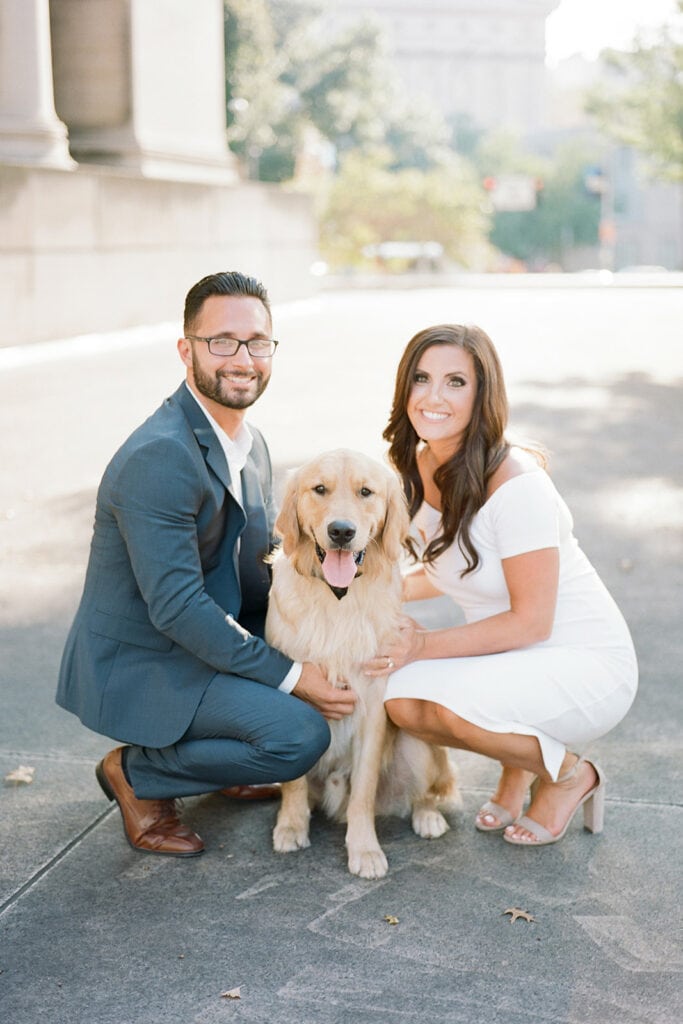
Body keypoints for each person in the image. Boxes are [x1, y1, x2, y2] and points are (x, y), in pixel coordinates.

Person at [57, 270, 356, 857]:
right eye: (222, 341)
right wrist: (296, 677)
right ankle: (137, 774)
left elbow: (263, 570)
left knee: (292, 709)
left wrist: (356, 623)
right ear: (185, 349)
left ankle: (225, 757)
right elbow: (177, 608)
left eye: (257, 343)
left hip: (209, 646)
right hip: (151, 662)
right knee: (300, 735)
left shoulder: (252, 443)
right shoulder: (162, 456)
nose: (242, 359)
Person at [365, 324, 637, 846]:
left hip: (582, 659)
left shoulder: (519, 488)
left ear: (483, 394)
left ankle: (567, 775)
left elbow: (532, 620)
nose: (434, 396)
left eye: (456, 382)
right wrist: (378, 594)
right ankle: (520, 764)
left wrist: (422, 645)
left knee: (453, 707)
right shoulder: (421, 465)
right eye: (421, 378)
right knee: (400, 699)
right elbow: (447, 571)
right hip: (509, 655)